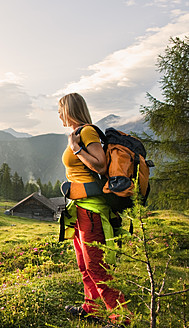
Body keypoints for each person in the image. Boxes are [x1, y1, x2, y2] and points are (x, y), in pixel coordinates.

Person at [58, 93, 129, 327]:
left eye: (60, 110)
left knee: (96, 266)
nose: (58, 115)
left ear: (69, 109)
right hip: (79, 208)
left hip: (92, 211)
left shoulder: (86, 132)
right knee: (83, 263)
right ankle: (92, 308)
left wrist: (76, 149)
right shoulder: (78, 133)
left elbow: (99, 163)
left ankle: (122, 318)